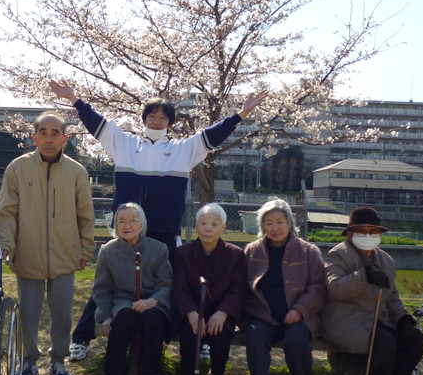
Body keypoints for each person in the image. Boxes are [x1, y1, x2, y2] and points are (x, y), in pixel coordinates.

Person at [49, 79, 268, 360]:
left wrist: (240, 115)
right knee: (110, 281)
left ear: (170, 123)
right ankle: (81, 338)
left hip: (164, 232)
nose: (156, 121)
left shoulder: (182, 150)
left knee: (176, 285)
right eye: (151, 116)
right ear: (143, 119)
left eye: (162, 118)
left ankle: (193, 338)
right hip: (127, 229)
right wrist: (75, 100)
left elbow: (213, 135)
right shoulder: (124, 144)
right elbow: (97, 123)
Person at [0, 111, 95, 375]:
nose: (49, 139)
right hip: (28, 253)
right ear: (34, 137)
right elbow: (6, 212)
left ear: (65, 139)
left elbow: (85, 214)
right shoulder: (17, 168)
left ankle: (59, 362)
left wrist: (85, 249)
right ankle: (29, 363)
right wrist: (4, 244)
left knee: (61, 313)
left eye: (55, 133)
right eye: (43, 133)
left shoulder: (77, 172)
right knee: (28, 312)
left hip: (65, 254)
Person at [320, 207, 423, 375]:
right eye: (362, 231)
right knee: (384, 342)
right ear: (350, 233)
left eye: (373, 231)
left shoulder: (386, 260)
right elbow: (336, 289)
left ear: (380, 234)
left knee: (415, 339)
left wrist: (402, 318)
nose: (368, 236)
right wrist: (364, 275)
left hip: (377, 318)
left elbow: (392, 296)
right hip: (345, 321)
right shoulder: (338, 254)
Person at [242, 198, 326, 375]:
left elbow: (318, 288)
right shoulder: (252, 250)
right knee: (254, 335)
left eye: (279, 222)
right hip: (263, 316)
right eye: (269, 223)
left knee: (296, 340)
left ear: (290, 222)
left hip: (299, 316)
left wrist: (299, 310)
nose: (275, 228)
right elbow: (242, 286)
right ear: (262, 226)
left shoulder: (308, 251)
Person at [94, 203, 173, 375]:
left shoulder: (159, 249)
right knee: (124, 318)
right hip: (123, 302)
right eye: (121, 221)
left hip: (153, 302)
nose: (127, 225)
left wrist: (152, 301)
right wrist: (106, 316)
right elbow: (101, 288)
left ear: (142, 224)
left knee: (151, 321)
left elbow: (167, 283)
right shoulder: (107, 251)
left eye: (132, 220)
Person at [172, 203, 246, 375]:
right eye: (203, 223)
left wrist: (223, 313)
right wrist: (191, 313)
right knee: (189, 334)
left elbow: (237, 290)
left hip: (222, 312)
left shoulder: (236, 255)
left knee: (221, 336)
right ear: (196, 226)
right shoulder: (183, 254)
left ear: (223, 228)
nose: (208, 228)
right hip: (192, 312)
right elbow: (180, 289)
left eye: (214, 224)